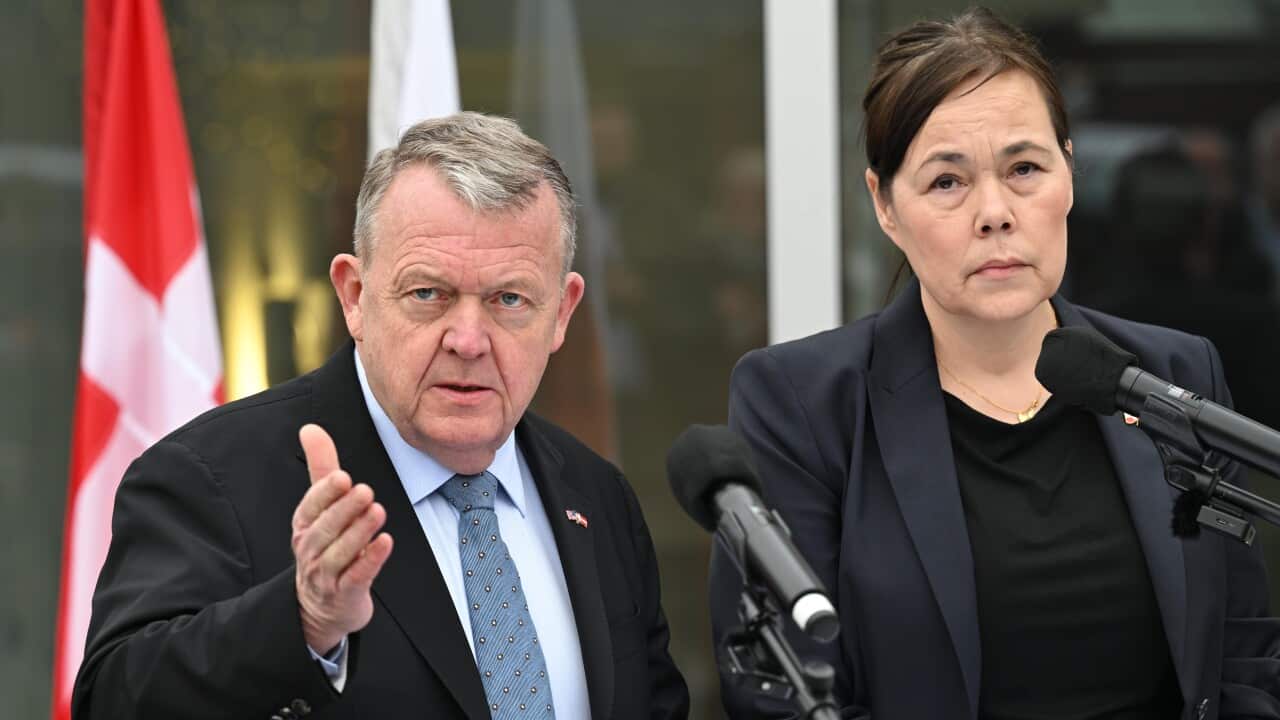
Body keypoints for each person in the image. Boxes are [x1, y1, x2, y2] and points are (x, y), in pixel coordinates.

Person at [709, 8, 1279, 719]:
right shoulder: (800, 403)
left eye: (1025, 169)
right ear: (885, 204)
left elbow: (1245, 651)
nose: (995, 211)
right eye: (947, 182)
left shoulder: (1175, 373)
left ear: (1068, 175)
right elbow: (779, 689)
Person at [73, 112, 690, 719]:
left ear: (561, 313)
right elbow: (115, 699)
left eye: (509, 299)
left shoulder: (598, 496)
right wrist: (302, 622)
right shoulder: (212, 477)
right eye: (429, 294)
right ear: (355, 296)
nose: (468, 340)